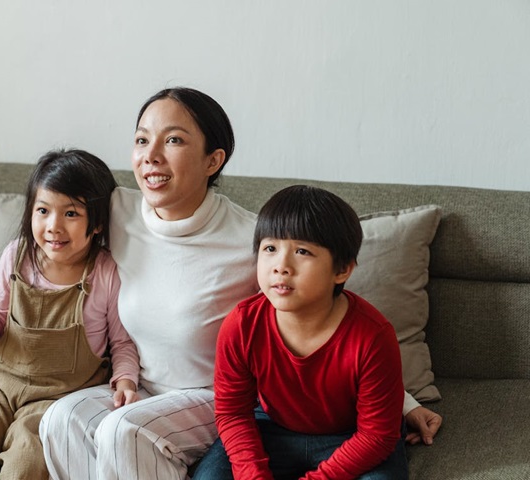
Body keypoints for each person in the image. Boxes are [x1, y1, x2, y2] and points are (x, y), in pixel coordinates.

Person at [39, 87, 441, 480]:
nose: (151, 156)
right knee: (62, 418)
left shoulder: (256, 242)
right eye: (142, 139)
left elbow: (323, 313)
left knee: (122, 429)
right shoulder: (116, 211)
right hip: (138, 385)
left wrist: (401, 401)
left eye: (174, 140)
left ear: (213, 160)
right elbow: (48, 229)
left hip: (214, 396)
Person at [0, 149, 140, 479]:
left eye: (71, 214)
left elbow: (122, 342)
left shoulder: (105, 272)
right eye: (43, 210)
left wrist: (127, 380)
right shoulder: (16, 255)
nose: (53, 226)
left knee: (27, 467)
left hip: (58, 396)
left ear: (98, 221)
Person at [193, 185, 408, 479]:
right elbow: (233, 413)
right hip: (272, 428)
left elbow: (377, 435)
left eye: (302, 251)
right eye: (270, 249)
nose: (281, 266)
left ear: (342, 269)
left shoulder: (373, 336)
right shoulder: (241, 324)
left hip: (352, 437)